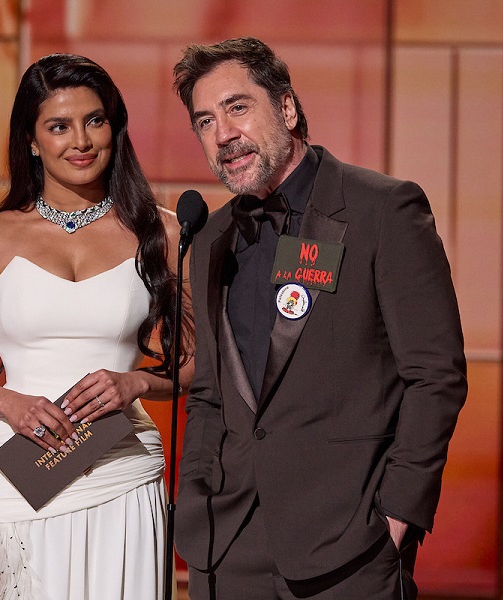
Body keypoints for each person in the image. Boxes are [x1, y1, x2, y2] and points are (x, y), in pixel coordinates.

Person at [171, 37, 467, 599]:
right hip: (228, 548)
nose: (223, 134)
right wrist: (198, 500)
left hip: (348, 545)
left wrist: (397, 517)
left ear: (285, 107)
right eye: (204, 121)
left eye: (238, 107)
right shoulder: (211, 238)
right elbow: (211, 393)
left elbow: (436, 376)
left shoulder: (383, 210)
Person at [0, 53, 193, 600]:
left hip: (122, 470)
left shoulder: (161, 233)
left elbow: (197, 365)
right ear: (30, 139)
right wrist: (9, 403)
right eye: (59, 125)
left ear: (115, 129)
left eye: (95, 120)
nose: (81, 141)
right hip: (10, 476)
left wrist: (136, 382)